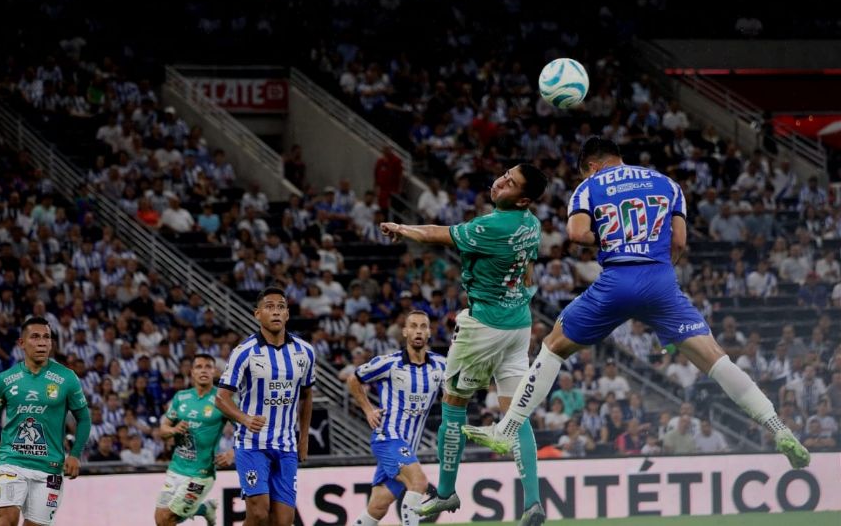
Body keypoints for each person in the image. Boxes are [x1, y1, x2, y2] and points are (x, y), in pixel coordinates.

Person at [462, 137, 810, 471]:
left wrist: (614, 241)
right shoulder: (668, 184)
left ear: (593, 166)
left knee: (553, 347)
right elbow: (680, 241)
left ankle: (507, 431)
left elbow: (577, 233)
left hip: (616, 281)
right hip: (660, 282)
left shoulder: (590, 187)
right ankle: (779, 427)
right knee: (716, 359)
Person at [380, 163, 549, 524]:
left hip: (484, 325)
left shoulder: (491, 227)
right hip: (519, 323)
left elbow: (433, 235)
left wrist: (401, 227)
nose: (501, 181)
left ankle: (445, 493)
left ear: (524, 199)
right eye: (505, 173)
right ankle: (533, 501)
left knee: (454, 405)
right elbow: (529, 271)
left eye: (511, 183)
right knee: (515, 416)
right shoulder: (532, 224)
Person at [0, 317, 92, 526]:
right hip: (13, 461)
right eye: (35, 337)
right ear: (22, 343)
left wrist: (75, 454)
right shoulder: (6, 379)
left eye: (46, 337)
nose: (42, 342)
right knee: (5, 519)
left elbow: (83, 418)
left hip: (50, 466)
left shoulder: (67, 378)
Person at [215, 287, 316, 526]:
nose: (276, 312)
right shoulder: (244, 352)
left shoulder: (305, 352)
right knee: (259, 513)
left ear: (288, 314)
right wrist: (245, 419)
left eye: (281, 307)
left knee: (283, 521)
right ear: (257, 314)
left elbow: (307, 395)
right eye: (269, 307)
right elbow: (221, 398)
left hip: (286, 445)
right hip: (252, 444)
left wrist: (303, 439)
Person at [347, 311, 445, 526]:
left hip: (408, 446)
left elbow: (457, 392)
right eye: (413, 326)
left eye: (423, 326)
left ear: (429, 332)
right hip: (387, 438)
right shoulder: (388, 363)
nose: (418, 331)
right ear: (405, 331)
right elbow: (353, 379)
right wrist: (368, 410)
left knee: (378, 507)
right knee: (418, 483)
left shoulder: (440, 365)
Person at [155, 354, 232, 526]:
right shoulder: (181, 397)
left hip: (201, 474)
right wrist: (174, 430)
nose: (203, 370)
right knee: (160, 519)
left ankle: (204, 508)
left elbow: (246, 431)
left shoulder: (223, 400)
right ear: (191, 372)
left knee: (168, 518)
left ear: (215, 371)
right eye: (199, 367)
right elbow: (163, 429)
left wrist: (232, 453)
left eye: (208, 366)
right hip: (176, 468)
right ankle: (205, 508)